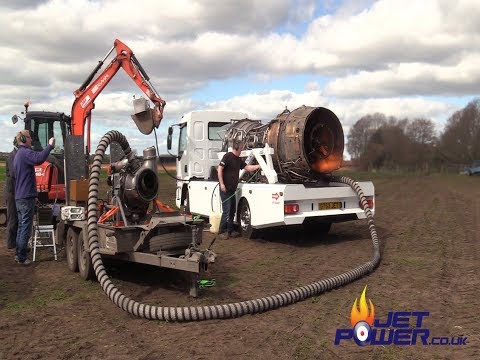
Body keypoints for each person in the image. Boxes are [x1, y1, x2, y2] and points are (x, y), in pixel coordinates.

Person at [14, 130, 55, 265]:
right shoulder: (25, 153)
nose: (31, 140)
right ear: (24, 139)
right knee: (26, 227)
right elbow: (39, 159)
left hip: (22, 196)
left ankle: (18, 254)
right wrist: (49, 146)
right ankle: (21, 257)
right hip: (25, 198)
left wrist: (34, 195)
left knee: (21, 226)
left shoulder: (18, 154)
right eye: (30, 138)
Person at [217, 139, 260, 239]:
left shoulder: (238, 159)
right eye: (241, 148)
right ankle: (222, 231)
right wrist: (222, 184)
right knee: (226, 210)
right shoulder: (227, 156)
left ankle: (230, 230)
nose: (242, 149)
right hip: (225, 189)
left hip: (232, 189)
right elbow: (219, 170)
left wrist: (259, 166)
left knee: (232, 210)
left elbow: (248, 168)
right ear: (237, 148)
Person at [4, 138, 18, 249]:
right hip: (11, 191)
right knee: (12, 218)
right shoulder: (13, 156)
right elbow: (14, 174)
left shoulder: (15, 155)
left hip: (13, 191)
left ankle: (15, 242)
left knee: (15, 218)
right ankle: (10, 243)